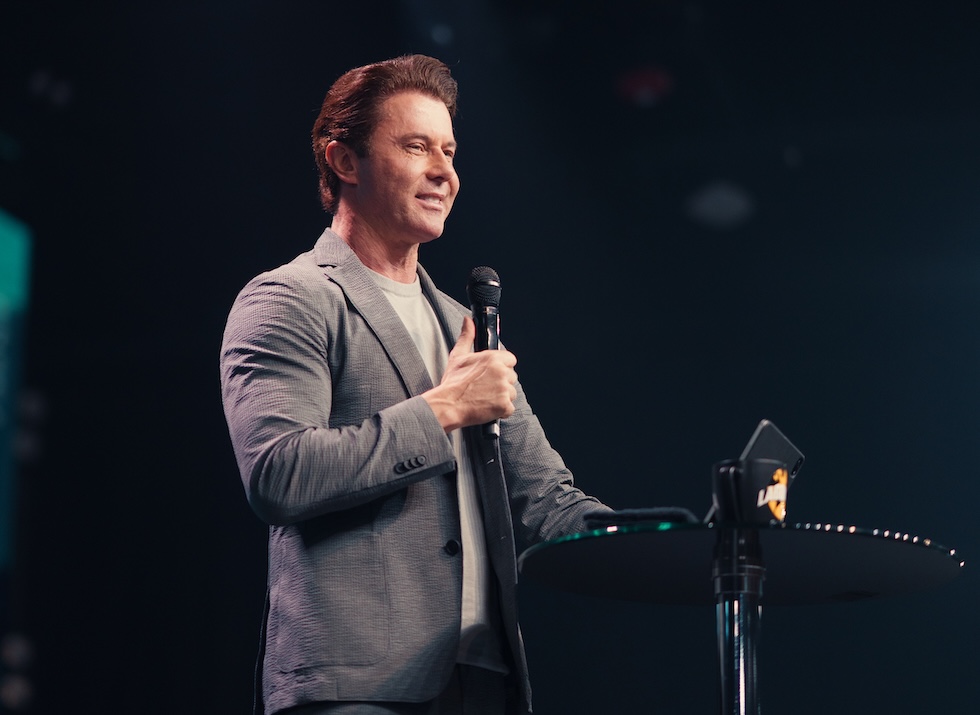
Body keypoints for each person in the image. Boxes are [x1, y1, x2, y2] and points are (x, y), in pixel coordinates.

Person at [220, 54, 609, 715]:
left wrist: (666, 543)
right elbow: (279, 473)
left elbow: (546, 500)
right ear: (345, 161)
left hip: (481, 679)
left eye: (449, 152)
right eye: (415, 146)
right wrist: (442, 409)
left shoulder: (464, 325)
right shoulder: (291, 298)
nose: (444, 172)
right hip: (357, 685)